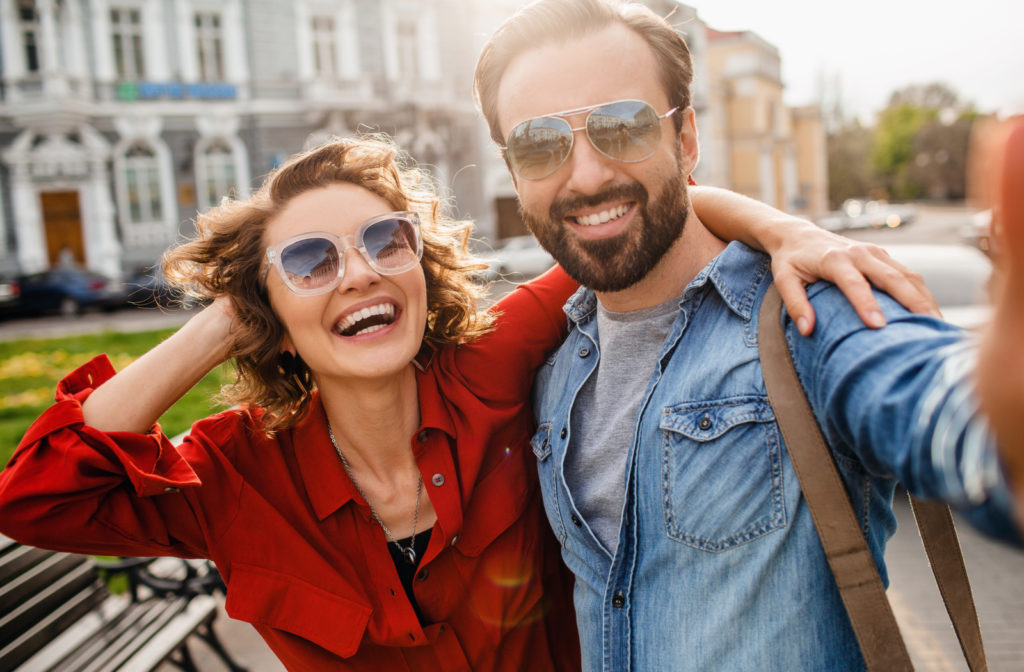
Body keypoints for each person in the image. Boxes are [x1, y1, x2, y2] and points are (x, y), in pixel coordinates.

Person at [0, 134, 935, 670]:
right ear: (266, 315)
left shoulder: (492, 364)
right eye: (311, 260)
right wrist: (220, 325)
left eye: (383, 240)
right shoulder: (233, 473)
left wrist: (791, 232)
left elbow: (664, 208)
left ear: (419, 262)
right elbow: (37, 498)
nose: (359, 271)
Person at [472, 1, 1024, 671]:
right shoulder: (552, 367)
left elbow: (935, 409)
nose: (586, 177)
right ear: (511, 170)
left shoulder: (808, 315)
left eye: (624, 127)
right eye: (539, 144)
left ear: (687, 141)